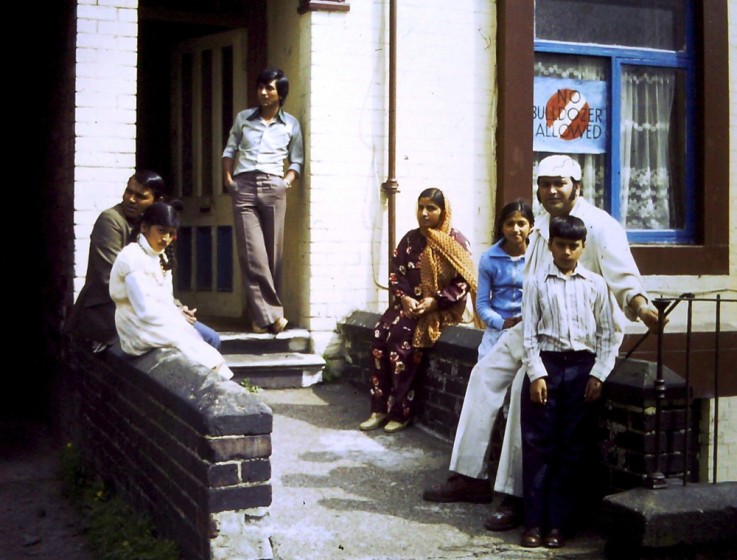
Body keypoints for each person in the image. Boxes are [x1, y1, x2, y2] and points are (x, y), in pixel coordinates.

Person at [422, 155, 664, 524]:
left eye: (560, 183)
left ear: (577, 187)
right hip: (538, 326)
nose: (551, 190)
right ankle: (468, 477)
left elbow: (624, 277)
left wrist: (640, 304)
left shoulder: (599, 226)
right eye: (545, 183)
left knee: (526, 388)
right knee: (484, 374)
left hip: (580, 335)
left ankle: (517, 498)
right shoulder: (542, 226)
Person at [518, 215, 617, 549]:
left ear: (583, 248)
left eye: (573, 246)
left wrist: (598, 373)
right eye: (560, 245)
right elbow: (528, 333)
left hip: (580, 370)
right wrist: (536, 373)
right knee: (538, 448)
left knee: (571, 449)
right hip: (546, 368)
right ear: (550, 246)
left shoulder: (595, 284)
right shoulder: (535, 283)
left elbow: (607, 334)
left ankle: (558, 525)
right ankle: (533, 523)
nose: (566, 251)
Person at [359, 188, 480, 434]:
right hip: (406, 306)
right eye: (420, 207)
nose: (424, 214)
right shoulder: (411, 240)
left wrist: (435, 301)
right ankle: (379, 409)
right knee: (378, 337)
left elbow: (464, 280)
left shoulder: (455, 241)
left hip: (436, 309)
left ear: (443, 211)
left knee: (402, 342)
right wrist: (403, 299)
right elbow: (396, 272)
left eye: (431, 208)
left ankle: (401, 413)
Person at [65, 170, 221, 353]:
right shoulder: (111, 221)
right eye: (129, 192)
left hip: (145, 312)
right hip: (110, 315)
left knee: (210, 338)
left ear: (156, 201)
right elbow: (112, 278)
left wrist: (177, 308)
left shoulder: (158, 229)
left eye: (140, 196)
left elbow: (158, 281)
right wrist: (169, 312)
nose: (131, 199)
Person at [109, 201, 234, 381]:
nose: (166, 239)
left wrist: (179, 312)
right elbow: (145, 310)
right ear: (144, 227)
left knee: (208, 351)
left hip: (157, 324)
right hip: (137, 327)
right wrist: (176, 318)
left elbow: (164, 300)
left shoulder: (160, 257)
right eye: (161, 231)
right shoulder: (132, 257)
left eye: (171, 233)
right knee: (203, 353)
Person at [222, 67, 304, 335]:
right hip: (243, 186)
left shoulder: (290, 124)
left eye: (269, 88)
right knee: (252, 253)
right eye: (260, 87)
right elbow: (230, 148)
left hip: (274, 186)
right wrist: (229, 180)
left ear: (281, 93)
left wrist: (286, 182)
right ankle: (274, 316)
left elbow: (297, 160)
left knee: (272, 255)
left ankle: (260, 319)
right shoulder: (244, 118)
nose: (263, 92)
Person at [476, 200, 534, 361]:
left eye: (521, 224)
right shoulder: (489, 258)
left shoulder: (538, 257)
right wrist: (501, 323)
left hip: (530, 331)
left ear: (531, 227)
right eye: (510, 224)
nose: (516, 229)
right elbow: (482, 304)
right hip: (497, 332)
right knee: (485, 377)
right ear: (502, 227)